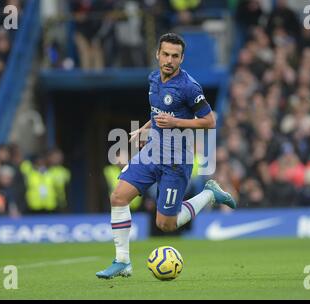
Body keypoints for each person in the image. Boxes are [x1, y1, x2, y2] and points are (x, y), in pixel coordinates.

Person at [96, 33, 237, 279]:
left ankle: (208, 194)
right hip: (152, 152)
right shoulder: (153, 79)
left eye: (175, 56)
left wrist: (175, 122)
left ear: (181, 58)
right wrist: (144, 128)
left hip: (176, 160)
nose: (169, 60)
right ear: (157, 54)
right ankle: (122, 262)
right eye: (165, 54)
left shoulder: (189, 87)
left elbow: (209, 121)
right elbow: (159, 113)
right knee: (118, 197)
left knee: (166, 225)